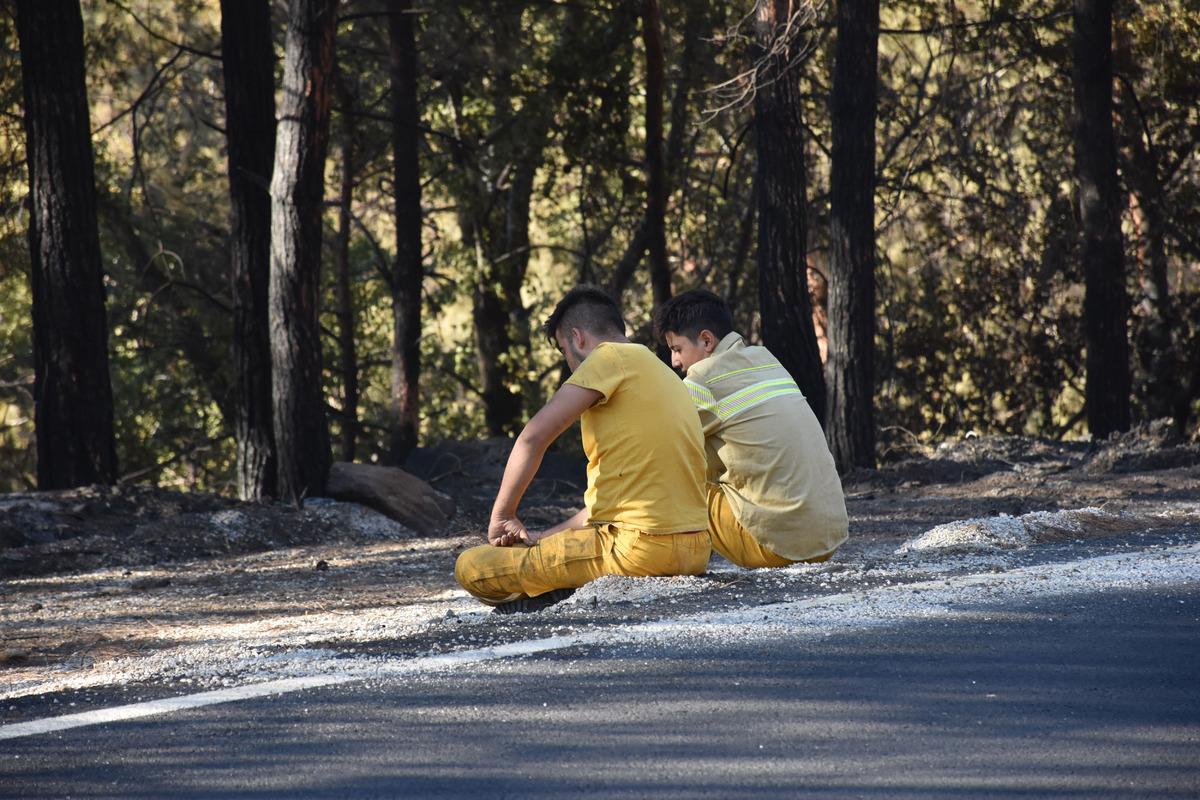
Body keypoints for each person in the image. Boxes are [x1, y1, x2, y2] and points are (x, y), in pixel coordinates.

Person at [454, 285, 711, 612]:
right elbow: (603, 510)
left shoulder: (607, 357)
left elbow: (533, 438)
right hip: (696, 550)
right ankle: (565, 584)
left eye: (563, 350)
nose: (571, 365)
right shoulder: (660, 370)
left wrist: (503, 515)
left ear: (577, 338)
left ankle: (563, 591)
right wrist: (541, 538)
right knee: (536, 553)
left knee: (473, 567)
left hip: (638, 551)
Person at [653, 289, 848, 569]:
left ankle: (666, 561)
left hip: (774, 546)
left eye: (677, 349)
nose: (675, 362)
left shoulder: (701, 380)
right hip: (827, 538)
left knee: (671, 468)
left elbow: (657, 451)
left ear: (706, 340)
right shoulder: (766, 360)